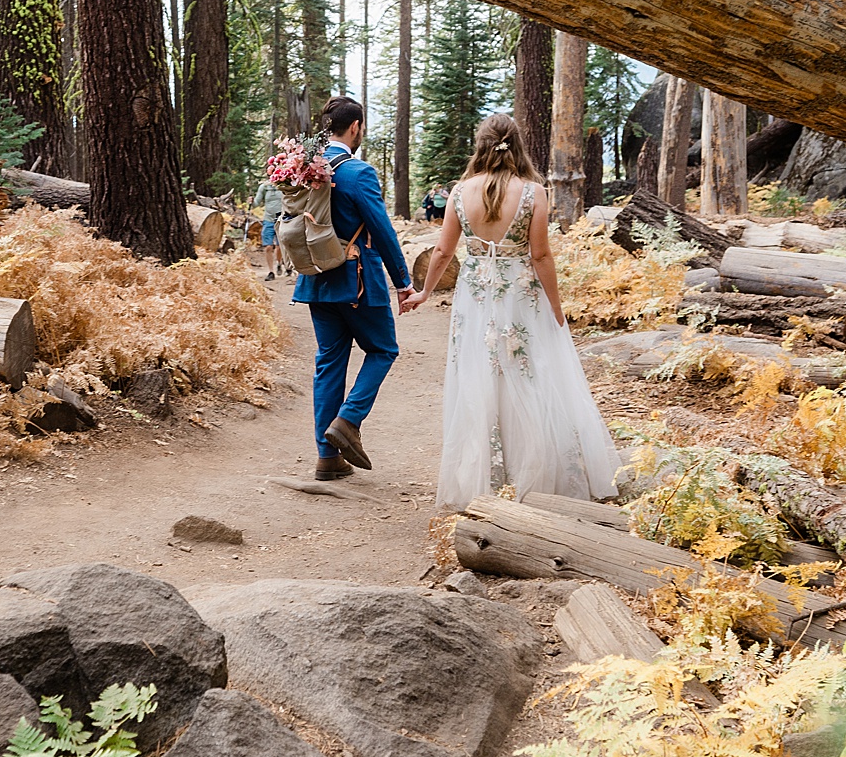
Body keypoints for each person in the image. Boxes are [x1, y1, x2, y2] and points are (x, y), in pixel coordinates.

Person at [402, 111, 618, 510]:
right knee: (532, 374)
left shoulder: (458, 191)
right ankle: (536, 474)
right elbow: (540, 254)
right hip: (522, 295)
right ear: (517, 145)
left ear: (480, 145)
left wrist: (423, 293)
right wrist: (557, 308)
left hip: (475, 296)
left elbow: (444, 251)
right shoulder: (534, 193)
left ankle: (484, 478)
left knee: (479, 376)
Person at [294, 97, 412, 482]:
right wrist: (403, 281)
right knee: (383, 349)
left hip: (314, 279)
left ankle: (327, 458)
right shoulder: (358, 172)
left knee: (329, 361)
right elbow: (381, 228)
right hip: (356, 280)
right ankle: (348, 420)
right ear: (356, 127)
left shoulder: (301, 170)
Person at [253, 176, 287, 280]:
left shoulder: (284, 185)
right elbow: (256, 202)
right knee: (268, 247)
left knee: (279, 246)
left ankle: (279, 263)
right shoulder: (264, 187)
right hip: (268, 219)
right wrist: (252, 202)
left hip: (281, 218)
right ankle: (271, 272)